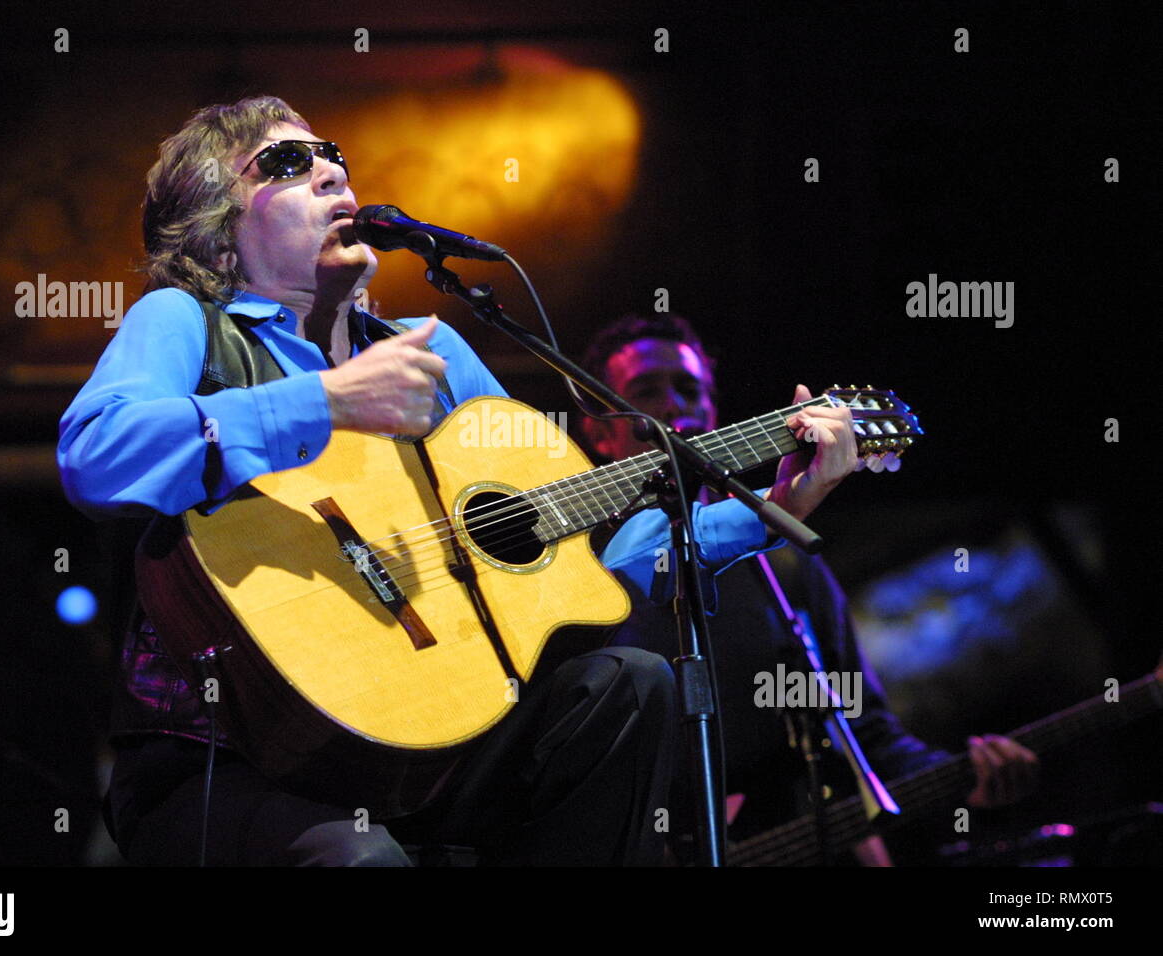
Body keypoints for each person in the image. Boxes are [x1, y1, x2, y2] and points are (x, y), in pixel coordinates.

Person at [55, 97, 858, 866]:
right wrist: (325, 401)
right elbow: (95, 456)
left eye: (334, 156)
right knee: (357, 857)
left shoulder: (429, 354)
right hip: (225, 757)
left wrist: (772, 508)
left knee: (631, 684)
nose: (333, 171)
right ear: (217, 229)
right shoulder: (186, 322)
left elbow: (572, 565)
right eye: (290, 161)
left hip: (424, 752)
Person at [581, 314, 1039, 864]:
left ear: (712, 409)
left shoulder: (785, 559)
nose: (673, 405)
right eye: (645, 392)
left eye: (688, 388)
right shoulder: (585, 569)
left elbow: (863, 726)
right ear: (600, 433)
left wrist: (962, 777)